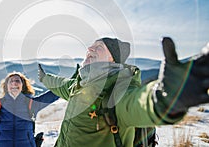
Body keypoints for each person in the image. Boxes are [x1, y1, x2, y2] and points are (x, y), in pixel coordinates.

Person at [38, 37, 209, 147]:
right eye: (90, 46)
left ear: (113, 58)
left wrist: (167, 96)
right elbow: (59, 84)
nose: (90, 48)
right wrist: (44, 77)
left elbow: (136, 103)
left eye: (99, 47)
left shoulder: (118, 90)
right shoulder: (78, 86)